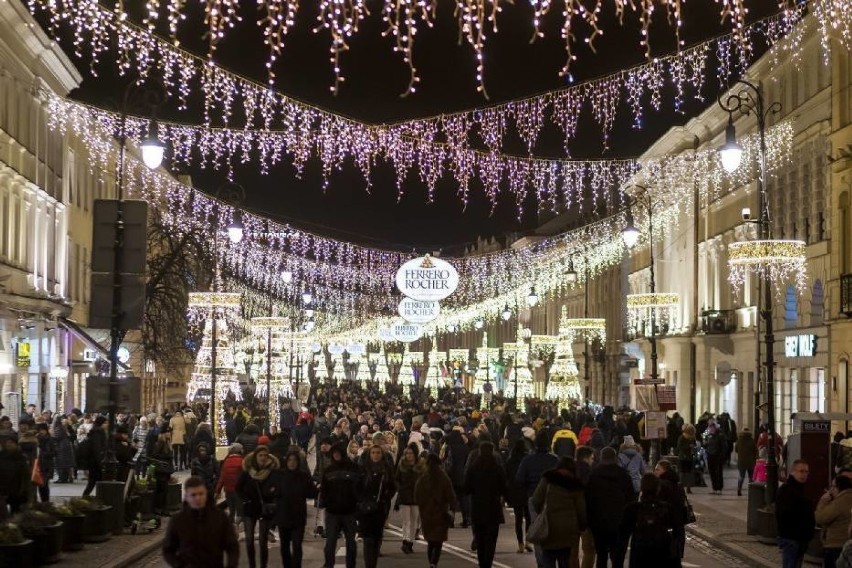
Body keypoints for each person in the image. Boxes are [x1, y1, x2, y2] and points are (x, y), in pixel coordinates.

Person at [162, 475, 239, 567]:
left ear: (206, 494)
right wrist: (178, 565)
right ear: (186, 496)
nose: (198, 498)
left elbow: (232, 546)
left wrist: (231, 565)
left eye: (201, 494)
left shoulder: (220, 517)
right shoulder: (178, 520)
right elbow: (168, 549)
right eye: (193, 495)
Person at [531, 457, 587, 568]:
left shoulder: (547, 479)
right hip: (568, 527)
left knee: (548, 556)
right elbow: (581, 508)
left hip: (549, 525)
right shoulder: (576, 484)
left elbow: (536, 500)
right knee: (564, 558)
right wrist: (582, 525)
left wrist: (542, 512)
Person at [585, 446, 635, 568]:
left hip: (599, 522)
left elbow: (588, 499)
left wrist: (589, 520)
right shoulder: (624, 475)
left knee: (601, 555)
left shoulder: (594, 475)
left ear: (602, 458)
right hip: (620, 522)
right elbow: (631, 499)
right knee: (617, 557)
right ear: (615, 458)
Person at [620, 473, 679, 568]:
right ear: (658, 488)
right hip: (662, 552)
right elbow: (676, 533)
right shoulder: (667, 508)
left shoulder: (632, 508)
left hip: (640, 553)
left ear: (642, 488)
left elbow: (623, 534)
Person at [463, 441, 507, 568]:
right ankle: (488, 563)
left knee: (480, 540)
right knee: (491, 541)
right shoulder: (497, 468)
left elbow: (466, 488)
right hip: (493, 509)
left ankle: (482, 564)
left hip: (478, 508)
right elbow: (504, 487)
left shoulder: (473, 468)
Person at [237, 445, 281, 568]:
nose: (263, 458)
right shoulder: (247, 471)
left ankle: (263, 566)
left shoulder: (272, 472)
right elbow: (238, 488)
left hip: (264, 509)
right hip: (250, 508)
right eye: (260, 455)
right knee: (249, 540)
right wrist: (245, 500)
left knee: (263, 541)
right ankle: (252, 565)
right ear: (255, 456)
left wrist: (272, 493)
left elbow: (278, 487)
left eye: (265, 455)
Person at [274, 450, 318, 568]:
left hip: (298, 517)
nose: (292, 463)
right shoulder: (280, 475)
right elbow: (275, 492)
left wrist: (315, 489)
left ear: (298, 462)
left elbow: (312, 492)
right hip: (283, 516)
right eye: (290, 460)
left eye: (294, 460)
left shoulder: (303, 476)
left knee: (297, 545)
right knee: (284, 546)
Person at [321, 444, 362, 568]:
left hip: (349, 512)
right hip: (332, 512)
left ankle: (351, 565)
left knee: (351, 542)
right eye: (334, 453)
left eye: (338, 452)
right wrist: (326, 502)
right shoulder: (329, 470)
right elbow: (324, 489)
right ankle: (329, 564)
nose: (336, 455)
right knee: (330, 542)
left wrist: (356, 504)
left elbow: (358, 488)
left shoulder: (353, 468)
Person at [415, 453, 457, 568]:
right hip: (440, 513)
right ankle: (434, 562)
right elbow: (451, 495)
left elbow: (417, 495)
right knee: (438, 541)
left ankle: (431, 562)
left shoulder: (423, 478)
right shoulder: (443, 477)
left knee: (430, 541)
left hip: (426, 513)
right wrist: (452, 509)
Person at [359, 444, 396, 568]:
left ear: (382, 454)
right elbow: (357, 487)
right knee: (367, 539)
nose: (376, 455)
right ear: (370, 455)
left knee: (376, 538)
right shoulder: (364, 469)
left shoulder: (386, 469)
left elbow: (392, 487)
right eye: (373, 452)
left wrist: (385, 498)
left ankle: (372, 563)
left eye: (378, 453)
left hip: (380, 508)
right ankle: (369, 565)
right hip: (365, 508)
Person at [776, 459, 815, 568]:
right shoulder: (787, 490)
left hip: (800, 539)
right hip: (791, 538)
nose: (804, 474)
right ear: (792, 471)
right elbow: (785, 515)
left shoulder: (801, 488)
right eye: (801, 471)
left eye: (806, 472)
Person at [654, 459, 687, 565]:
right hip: (678, 520)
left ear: (664, 471)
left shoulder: (661, 484)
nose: (655, 472)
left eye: (657, 469)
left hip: (666, 521)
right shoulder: (678, 484)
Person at [395, 443, 426, 554]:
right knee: (406, 521)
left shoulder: (421, 465)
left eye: (411, 453)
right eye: (407, 453)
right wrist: (400, 489)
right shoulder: (402, 464)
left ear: (415, 454)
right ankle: (405, 541)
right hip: (404, 495)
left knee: (414, 521)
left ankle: (410, 542)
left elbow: (424, 480)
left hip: (416, 496)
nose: (409, 455)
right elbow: (397, 478)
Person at [816, 475, 852, 568]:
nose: (831, 490)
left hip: (835, 546)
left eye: (833, 486)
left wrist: (822, 502)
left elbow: (820, 518)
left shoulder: (840, 501)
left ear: (838, 487)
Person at [504, 439, 532, 553]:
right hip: (527, 491)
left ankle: (520, 544)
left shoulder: (510, 460)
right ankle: (528, 542)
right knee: (529, 518)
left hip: (515, 492)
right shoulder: (527, 459)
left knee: (518, 519)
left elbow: (508, 477)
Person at [0, 432, 30, 515]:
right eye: (7, 442)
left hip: (16, 489)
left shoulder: (21, 456)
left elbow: (26, 475)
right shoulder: (2, 455)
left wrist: (24, 490)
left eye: (11, 443)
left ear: (16, 444)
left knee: (16, 513)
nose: (9, 444)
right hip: (3, 489)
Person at [215, 443, 245, 526]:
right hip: (238, 491)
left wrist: (218, 490)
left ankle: (230, 528)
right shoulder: (242, 461)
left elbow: (222, 477)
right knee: (240, 512)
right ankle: (238, 528)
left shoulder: (226, 461)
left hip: (228, 490)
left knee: (231, 511)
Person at [82, 415, 108, 496]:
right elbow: (97, 448)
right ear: (101, 423)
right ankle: (87, 497)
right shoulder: (98, 432)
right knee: (94, 482)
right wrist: (100, 462)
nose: (107, 425)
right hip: (96, 462)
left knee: (94, 482)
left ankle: (90, 497)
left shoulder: (96, 431)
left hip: (95, 461)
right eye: (106, 423)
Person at [735, 427, 758, 496]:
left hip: (741, 462)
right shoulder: (751, 440)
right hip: (750, 462)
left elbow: (736, 450)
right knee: (751, 477)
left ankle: (739, 489)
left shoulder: (739, 440)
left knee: (741, 476)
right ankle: (751, 491)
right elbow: (755, 450)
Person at [703, 423, 726, 494]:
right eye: (710, 428)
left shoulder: (720, 436)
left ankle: (719, 488)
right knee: (712, 472)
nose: (711, 430)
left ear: (715, 428)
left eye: (712, 428)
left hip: (718, 457)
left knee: (718, 473)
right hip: (710, 456)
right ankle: (714, 488)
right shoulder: (709, 436)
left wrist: (722, 456)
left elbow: (724, 447)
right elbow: (706, 445)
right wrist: (705, 444)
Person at [676, 424, 697, 494]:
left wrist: (694, 448)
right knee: (682, 473)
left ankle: (688, 488)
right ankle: (681, 488)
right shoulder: (682, 437)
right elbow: (679, 447)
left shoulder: (692, 438)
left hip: (689, 457)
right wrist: (688, 446)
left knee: (688, 473)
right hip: (683, 457)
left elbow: (695, 445)